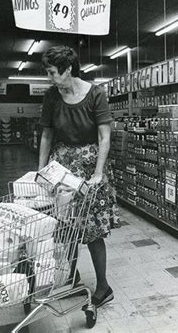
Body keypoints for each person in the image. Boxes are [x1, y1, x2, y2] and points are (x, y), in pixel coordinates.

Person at [38, 45, 119, 307]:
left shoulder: (96, 93)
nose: (50, 78)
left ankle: (103, 287)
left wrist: (98, 173)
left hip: (90, 167)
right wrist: (40, 172)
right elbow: (47, 134)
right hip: (61, 167)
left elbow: (104, 135)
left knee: (93, 230)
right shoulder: (51, 96)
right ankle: (71, 278)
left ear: (68, 69)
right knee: (66, 226)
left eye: (52, 73)